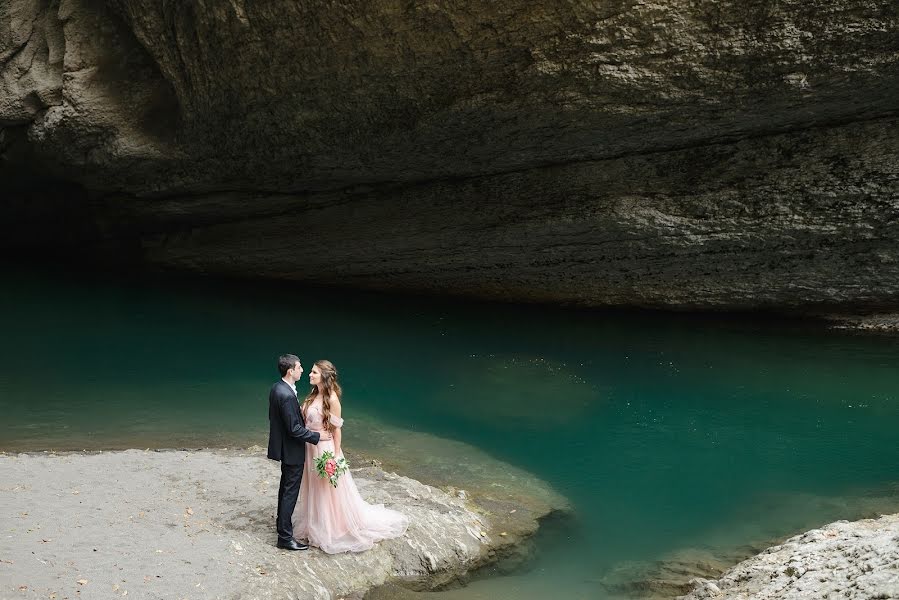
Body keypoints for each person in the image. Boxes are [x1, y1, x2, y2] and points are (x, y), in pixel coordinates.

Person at [293, 360, 409, 553]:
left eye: (314, 372)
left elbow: (337, 431)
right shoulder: (313, 395)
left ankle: (329, 528)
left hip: (324, 448)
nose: (309, 375)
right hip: (309, 447)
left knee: (325, 490)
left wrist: (335, 457)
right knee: (312, 486)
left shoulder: (332, 400)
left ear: (324, 376)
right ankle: (313, 524)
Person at [268, 354, 321, 550]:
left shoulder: (277, 388)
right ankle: (285, 537)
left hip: (284, 447)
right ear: (291, 371)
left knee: (285, 490)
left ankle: (282, 527)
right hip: (292, 450)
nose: (302, 370)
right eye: (299, 367)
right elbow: (294, 429)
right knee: (290, 493)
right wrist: (316, 437)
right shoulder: (287, 395)